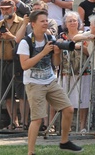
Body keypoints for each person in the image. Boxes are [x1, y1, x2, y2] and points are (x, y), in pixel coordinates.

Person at [17, 9, 82, 154]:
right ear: (33, 24)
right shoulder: (26, 42)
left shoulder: (50, 38)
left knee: (68, 109)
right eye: (42, 21)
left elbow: (56, 63)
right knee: (37, 119)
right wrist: (43, 52)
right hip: (34, 83)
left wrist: (57, 53)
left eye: (47, 20)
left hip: (50, 80)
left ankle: (64, 141)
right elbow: (25, 65)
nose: (46, 23)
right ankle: (30, 152)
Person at [0, 0, 25, 129]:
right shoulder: (0, 23)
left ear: (14, 9)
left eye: (7, 9)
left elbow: (24, 43)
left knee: (21, 94)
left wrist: (10, 36)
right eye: (2, 9)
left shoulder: (22, 22)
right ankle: (14, 122)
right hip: (3, 62)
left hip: (17, 62)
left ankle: (24, 122)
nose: (5, 11)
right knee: (6, 94)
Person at [59, 11, 90, 133]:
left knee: (84, 97)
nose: (72, 23)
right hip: (67, 71)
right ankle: (67, 126)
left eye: (74, 20)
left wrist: (80, 47)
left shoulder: (84, 35)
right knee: (67, 99)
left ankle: (82, 126)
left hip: (84, 71)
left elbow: (89, 51)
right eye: (69, 21)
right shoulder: (62, 37)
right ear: (65, 24)